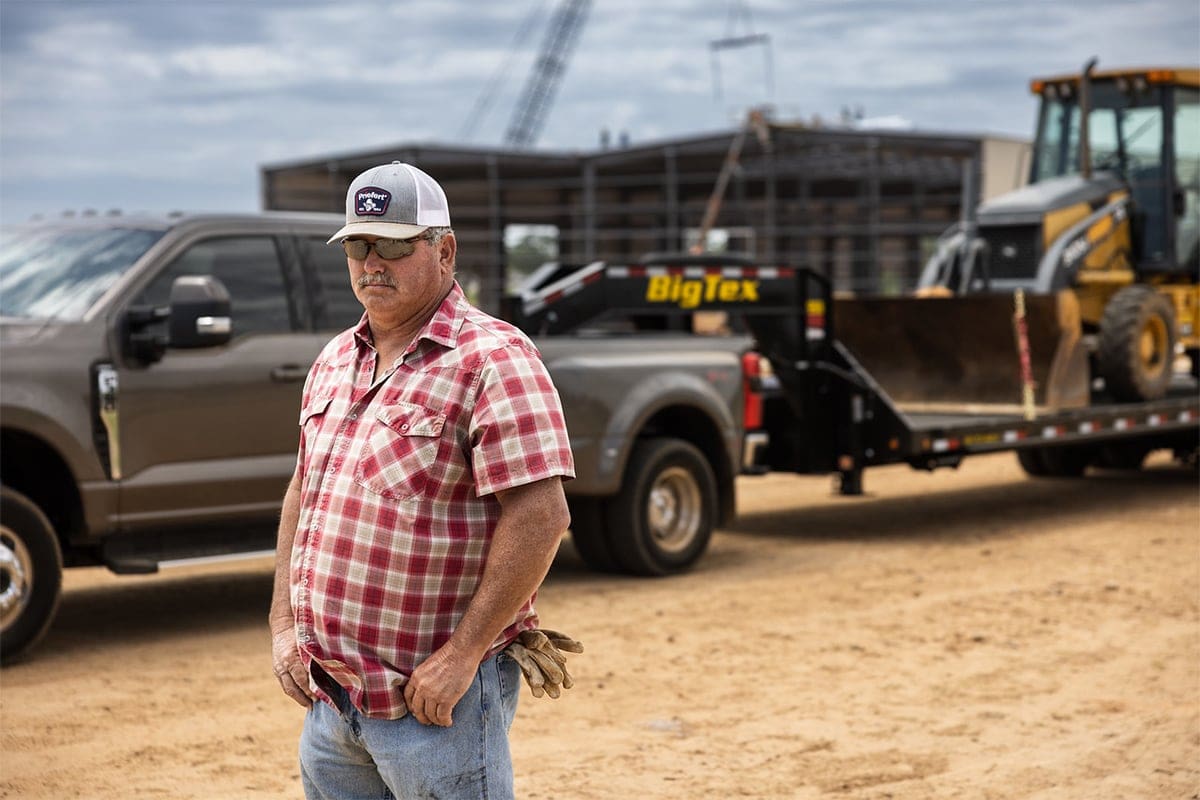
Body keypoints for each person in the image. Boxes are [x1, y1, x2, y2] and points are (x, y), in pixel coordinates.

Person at [269, 161, 577, 799]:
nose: (372, 262)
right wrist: (284, 627)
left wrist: (463, 656)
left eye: (394, 245)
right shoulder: (332, 361)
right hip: (331, 700)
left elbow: (541, 517)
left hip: (436, 702)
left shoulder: (494, 360)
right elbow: (305, 491)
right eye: (359, 245)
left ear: (445, 250)